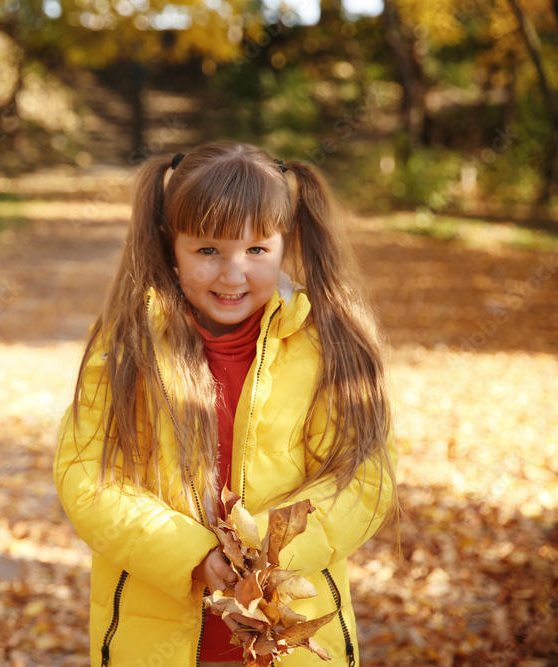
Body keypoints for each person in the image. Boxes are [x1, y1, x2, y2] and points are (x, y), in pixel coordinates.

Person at [53, 142, 398, 667]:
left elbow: (362, 477)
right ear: (171, 244)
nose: (233, 274)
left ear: (286, 243)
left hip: (291, 644)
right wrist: (193, 557)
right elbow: (89, 477)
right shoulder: (128, 347)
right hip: (153, 642)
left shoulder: (330, 348)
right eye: (208, 250)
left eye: (257, 250)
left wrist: (270, 559)